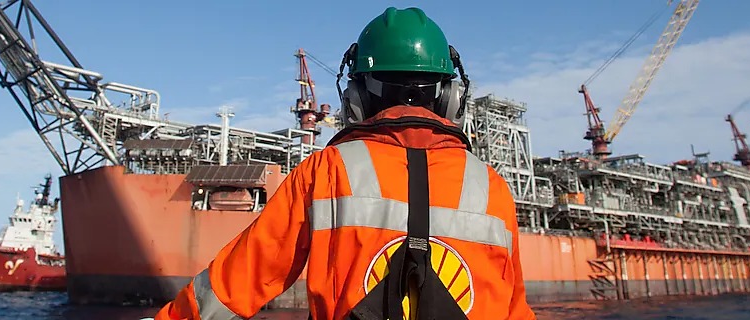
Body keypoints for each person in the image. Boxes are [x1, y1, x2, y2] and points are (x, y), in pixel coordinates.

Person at [154, 7, 534, 320]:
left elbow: (235, 284)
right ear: (451, 97)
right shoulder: (491, 188)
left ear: (354, 97)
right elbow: (515, 308)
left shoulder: (326, 172)